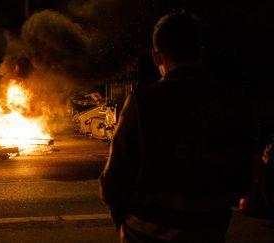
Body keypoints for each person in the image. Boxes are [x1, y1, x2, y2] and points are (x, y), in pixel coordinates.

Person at [100, 10, 252, 243]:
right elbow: (242, 175)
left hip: (145, 234)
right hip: (207, 232)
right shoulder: (227, 101)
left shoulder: (142, 102)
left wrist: (121, 220)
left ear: (156, 57)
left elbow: (114, 178)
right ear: (200, 54)